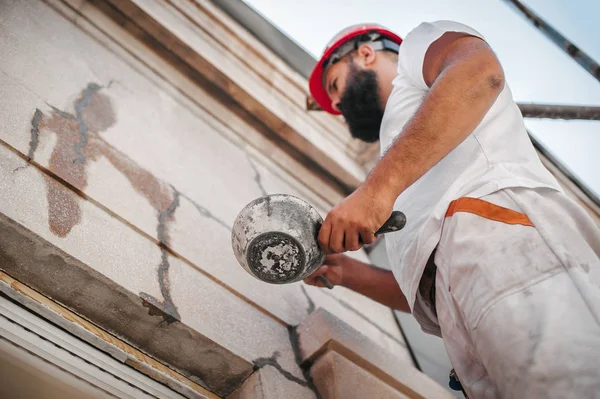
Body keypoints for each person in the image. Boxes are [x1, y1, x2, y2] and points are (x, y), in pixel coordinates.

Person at [304, 21, 600, 398]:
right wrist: (345, 271)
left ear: (364, 53)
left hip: (504, 239)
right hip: (466, 319)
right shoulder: (400, 151)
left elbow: (480, 73)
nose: (337, 105)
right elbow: (428, 284)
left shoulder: (418, 49)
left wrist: (377, 192)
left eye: (334, 86)